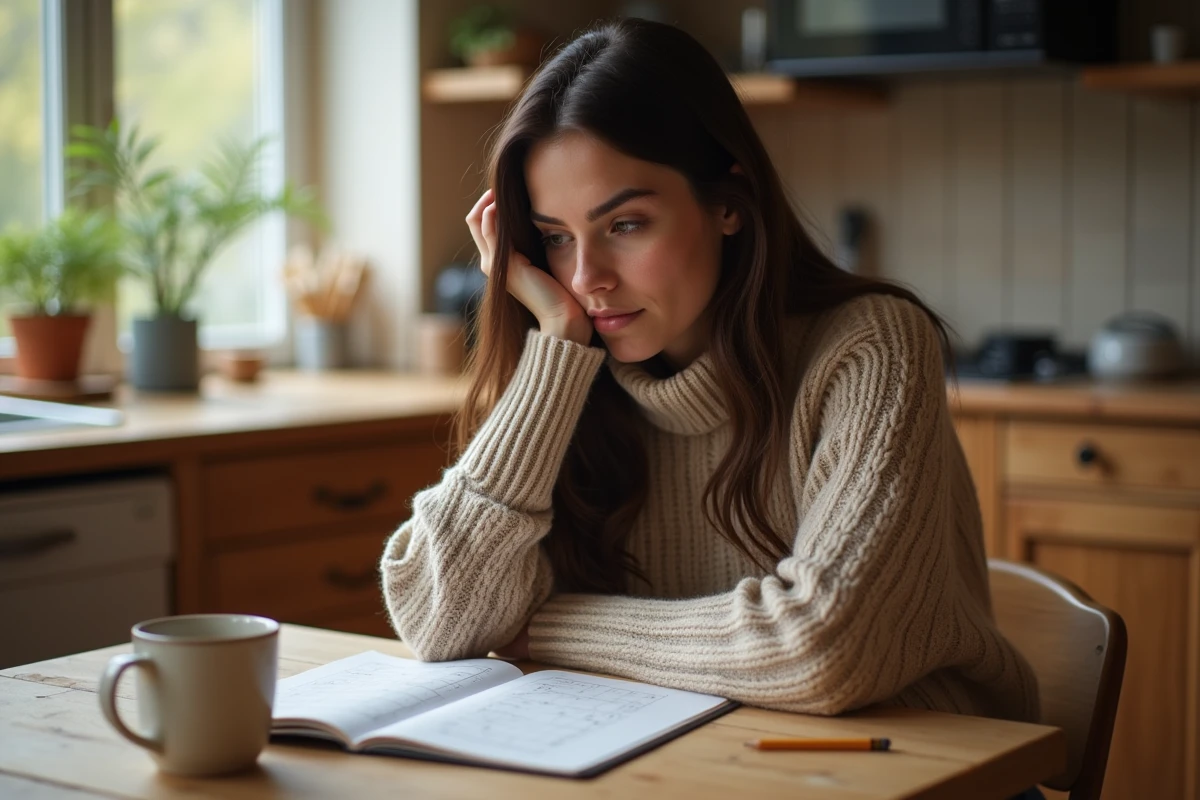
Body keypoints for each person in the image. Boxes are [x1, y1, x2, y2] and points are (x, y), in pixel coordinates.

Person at [380, 17, 1039, 728]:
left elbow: (822, 646)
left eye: (625, 224)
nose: (586, 277)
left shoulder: (870, 346)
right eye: (553, 239)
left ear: (728, 202)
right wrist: (556, 350)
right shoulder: (573, 378)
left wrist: (547, 629)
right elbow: (438, 623)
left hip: (918, 766)